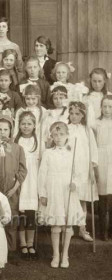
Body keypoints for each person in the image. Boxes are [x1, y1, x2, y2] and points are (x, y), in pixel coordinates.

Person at [38, 122, 85, 268]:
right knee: (56, 225)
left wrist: (75, 183)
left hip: (67, 190)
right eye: (55, 135)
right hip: (53, 190)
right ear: (51, 136)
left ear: (67, 136)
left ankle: (65, 254)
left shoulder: (73, 153)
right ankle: (56, 254)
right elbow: (42, 175)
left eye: (61, 134)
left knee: (68, 224)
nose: (58, 138)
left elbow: (79, 173)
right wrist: (43, 193)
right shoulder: (47, 153)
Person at [0, 115, 27, 264]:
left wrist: (14, 188)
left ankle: (11, 249)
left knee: (11, 219)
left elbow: (22, 171)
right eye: (0, 129)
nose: (3, 132)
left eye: (6, 129)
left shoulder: (17, 148)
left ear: (11, 130)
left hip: (11, 190)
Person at [67, 101, 98, 242]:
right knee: (69, 198)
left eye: (77, 114)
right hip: (69, 168)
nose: (74, 116)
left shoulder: (87, 130)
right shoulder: (66, 128)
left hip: (83, 168)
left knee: (82, 200)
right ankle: (69, 227)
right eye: (71, 113)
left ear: (83, 115)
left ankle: (82, 228)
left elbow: (93, 150)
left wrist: (92, 168)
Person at [14, 111, 39, 260]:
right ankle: (22, 243)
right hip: (21, 179)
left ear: (34, 125)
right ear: (19, 125)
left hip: (33, 180)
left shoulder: (39, 142)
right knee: (21, 212)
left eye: (29, 124)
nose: (26, 126)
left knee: (31, 212)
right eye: (23, 123)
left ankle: (30, 243)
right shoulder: (16, 141)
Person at [95, 95, 112, 241]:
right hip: (101, 158)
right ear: (100, 107)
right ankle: (103, 231)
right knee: (103, 196)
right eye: (104, 106)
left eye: (110, 107)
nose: (107, 109)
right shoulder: (96, 124)